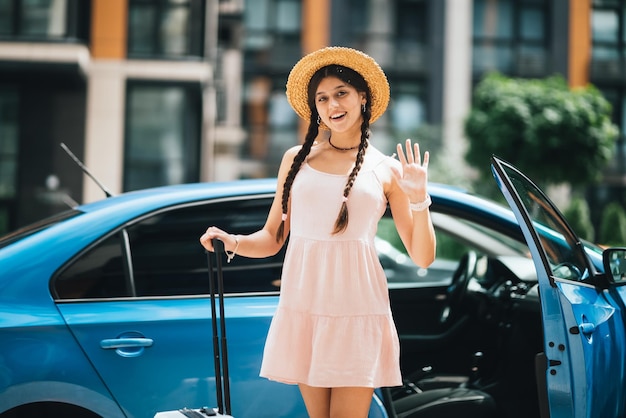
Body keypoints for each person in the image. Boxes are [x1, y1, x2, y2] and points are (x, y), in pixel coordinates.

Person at [200, 46, 436, 418]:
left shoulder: (386, 170)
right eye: (322, 98)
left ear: (362, 96)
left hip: (358, 310)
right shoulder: (297, 159)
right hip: (306, 307)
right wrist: (234, 242)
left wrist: (420, 199)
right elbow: (273, 238)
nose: (332, 105)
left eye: (341, 92)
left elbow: (422, 256)